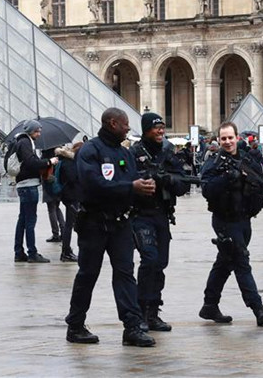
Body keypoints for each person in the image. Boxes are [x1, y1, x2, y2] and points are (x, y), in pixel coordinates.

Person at [65, 108, 156, 347]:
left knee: (125, 273)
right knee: (88, 274)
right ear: (113, 123)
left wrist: (145, 188)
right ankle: (75, 325)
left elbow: (131, 181)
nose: (128, 128)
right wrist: (131, 187)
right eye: (125, 124)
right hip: (94, 223)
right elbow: (93, 184)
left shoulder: (124, 152)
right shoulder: (90, 150)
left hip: (121, 223)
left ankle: (132, 327)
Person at [198, 121, 263, 326]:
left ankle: (209, 305)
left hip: (244, 219)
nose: (227, 141)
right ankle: (257, 308)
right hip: (224, 220)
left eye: (230, 137)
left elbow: (260, 181)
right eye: (223, 138)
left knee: (225, 263)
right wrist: (227, 178)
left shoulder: (246, 159)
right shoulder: (213, 162)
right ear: (218, 140)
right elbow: (206, 189)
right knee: (241, 262)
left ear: (237, 137)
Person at [130, 112, 191, 332]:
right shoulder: (134, 153)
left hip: (161, 215)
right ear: (146, 129)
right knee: (149, 260)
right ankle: (141, 311)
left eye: (162, 127)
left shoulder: (168, 152)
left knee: (160, 264)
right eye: (156, 127)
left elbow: (184, 184)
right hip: (140, 215)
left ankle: (154, 312)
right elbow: (127, 182)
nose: (160, 131)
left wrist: (168, 180)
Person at [11, 120, 57, 264]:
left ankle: (19, 252)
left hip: (24, 185)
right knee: (30, 220)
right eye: (37, 131)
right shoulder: (25, 142)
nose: (39, 133)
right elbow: (31, 162)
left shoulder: (21, 141)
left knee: (23, 219)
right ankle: (32, 253)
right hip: (28, 185)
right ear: (30, 131)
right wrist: (49, 162)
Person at [55, 142, 82, 262]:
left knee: (70, 224)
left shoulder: (67, 160)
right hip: (71, 196)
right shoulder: (70, 162)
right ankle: (66, 252)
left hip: (69, 195)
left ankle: (66, 250)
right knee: (69, 225)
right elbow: (72, 178)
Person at [42, 147, 65, 244]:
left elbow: (42, 168)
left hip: (49, 184)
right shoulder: (59, 155)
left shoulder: (46, 154)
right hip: (58, 184)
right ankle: (63, 232)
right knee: (57, 207)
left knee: (51, 209)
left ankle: (55, 234)